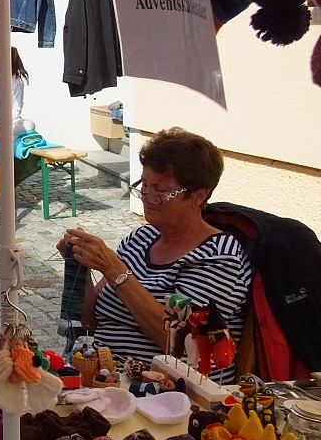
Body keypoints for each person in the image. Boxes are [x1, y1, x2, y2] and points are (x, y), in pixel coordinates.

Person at [58, 128, 252, 385]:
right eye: (144, 185)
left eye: (160, 190)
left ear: (198, 195)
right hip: (106, 379)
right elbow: (89, 322)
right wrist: (78, 264)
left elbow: (180, 342)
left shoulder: (219, 257)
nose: (147, 197)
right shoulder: (140, 239)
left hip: (170, 393)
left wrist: (114, 269)